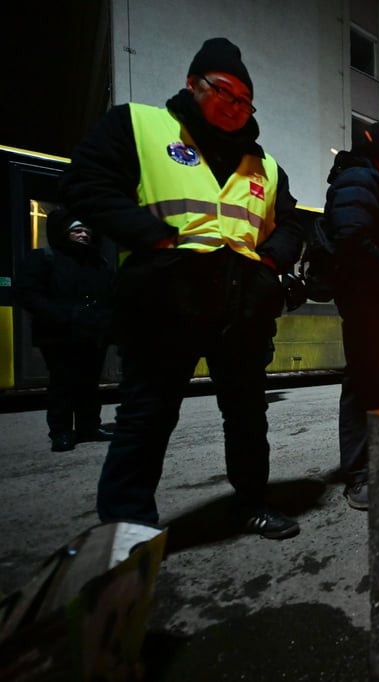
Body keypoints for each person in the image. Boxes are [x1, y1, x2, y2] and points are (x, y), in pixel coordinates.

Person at [59, 37, 305, 539]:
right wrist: (148, 234)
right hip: (165, 299)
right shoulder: (140, 126)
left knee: (246, 417)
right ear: (192, 85)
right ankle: (127, 533)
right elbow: (85, 183)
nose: (235, 106)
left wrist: (273, 258)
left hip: (242, 304)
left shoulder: (266, 165)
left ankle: (252, 504)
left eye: (245, 100)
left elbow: (293, 223)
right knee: (146, 416)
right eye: (224, 91)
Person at [322, 122, 379, 510]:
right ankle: (360, 474)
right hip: (366, 303)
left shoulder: (376, 187)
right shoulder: (359, 181)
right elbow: (352, 241)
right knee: (364, 385)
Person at [14, 207, 115, 452]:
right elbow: (28, 294)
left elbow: (110, 296)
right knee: (62, 384)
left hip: (91, 334)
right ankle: (61, 432)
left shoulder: (98, 262)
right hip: (58, 335)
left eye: (86, 231)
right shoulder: (43, 258)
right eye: (76, 231)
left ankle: (88, 426)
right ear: (63, 233)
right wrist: (63, 316)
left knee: (89, 383)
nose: (83, 235)